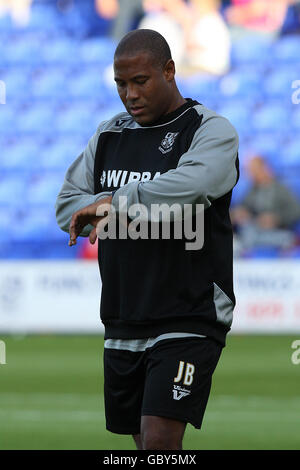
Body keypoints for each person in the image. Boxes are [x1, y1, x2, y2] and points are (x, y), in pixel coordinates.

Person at [55, 29, 239, 450]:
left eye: (141, 81)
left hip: (188, 312)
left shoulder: (210, 130)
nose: (130, 94)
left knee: (159, 442)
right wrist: (107, 206)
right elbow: (68, 206)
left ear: (169, 71)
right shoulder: (109, 136)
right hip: (123, 312)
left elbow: (193, 186)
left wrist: (112, 204)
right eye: (122, 84)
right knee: (143, 447)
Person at [231, 156, 300, 254]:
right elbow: (245, 208)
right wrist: (240, 213)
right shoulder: (253, 190)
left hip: (277, 231)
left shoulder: (281, 189)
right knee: (245, 234)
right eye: (251, 171)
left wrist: (276, 219)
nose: (252, 175)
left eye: (255, 170)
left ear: (265, 168)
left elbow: (295, 211)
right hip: (255, 230)